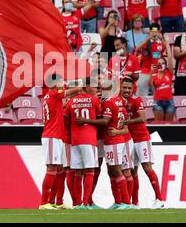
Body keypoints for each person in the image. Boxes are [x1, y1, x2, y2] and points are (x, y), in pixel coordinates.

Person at [76, 86, 133, 210]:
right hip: (98, 138)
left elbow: (109, 121)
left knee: (113, 169)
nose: (99, 91)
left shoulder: (110, 103)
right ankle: (91, 201)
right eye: (97, 88)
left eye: (101, 89)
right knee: (99, 170)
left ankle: (124, 201)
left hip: (108, 139)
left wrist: (119, 132)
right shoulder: (110, 102)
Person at [121, 78, 164, 209]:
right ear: (121, 88)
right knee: (133, 171)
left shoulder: (137, 100)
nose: (127, 90)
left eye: (129, 88)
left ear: (133, 88)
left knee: (147, 168)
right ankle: (135, 203)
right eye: (125, 88)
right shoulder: (118, 101)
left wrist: (126, 122)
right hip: (129, 140)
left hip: (141, 138)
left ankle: (159, 199)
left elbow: (142, 118)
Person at [39, 74, 79, 210]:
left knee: (60, 170)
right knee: (51, 168)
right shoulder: (54, 93)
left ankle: (56, 201)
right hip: (52, 136)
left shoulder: (51, 96)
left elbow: (61, 103)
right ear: (55, 83)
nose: (63, 82)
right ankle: (44, 203)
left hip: (57, 136)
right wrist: (83, 83)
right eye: (61, 80)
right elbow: (74, 90)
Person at [64, 80, 101, 209]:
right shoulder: (94, 100)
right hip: (89, 139)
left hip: (74, 141)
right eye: (95, 86)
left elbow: (66, 119)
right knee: (90, 170)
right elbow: (99, 116)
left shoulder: (71, 101)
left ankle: (78, 203)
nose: (97, 89)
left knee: (78, 172)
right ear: (87, 87)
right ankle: (85, 202)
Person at [135, 23, 166, 96]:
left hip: (157, 72)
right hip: (145, 71)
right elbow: (137, 49)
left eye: (156, 31)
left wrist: (162, 39)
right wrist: (149, 37)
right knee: (140, 89)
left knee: (158, 95)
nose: (154, 33)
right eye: (153, 31)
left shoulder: (161, 43)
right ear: (150, 31)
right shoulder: (147, 42)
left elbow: (168, 51)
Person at [150, 41, 175, 122]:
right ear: (157, 65)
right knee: (159, 124)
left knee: (169, 126)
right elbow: (150, 84)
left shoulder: (169, 72)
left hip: (169, 102)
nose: (161, 64)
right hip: (158, 103)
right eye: (159, 63)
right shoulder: (154, 74)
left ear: (166, 64)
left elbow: (170, 57)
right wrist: (151, 72)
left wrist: (167, 43)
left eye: (163, 63)